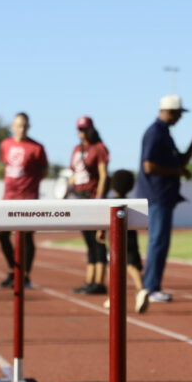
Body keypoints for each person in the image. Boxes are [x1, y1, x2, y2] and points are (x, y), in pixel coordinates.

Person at [135, 94, 192, 303]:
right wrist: (177, 171)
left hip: (164, 196)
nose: (180, 118)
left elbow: (179, 162)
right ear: (171, 112)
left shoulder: (164, 133)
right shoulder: (155, 132)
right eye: (179, 114)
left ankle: (152, 285)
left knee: (161, 242)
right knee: (158, 242)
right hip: (157, 196)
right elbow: (149, 166)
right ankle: (150, 287)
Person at [0, 112, 48, 288]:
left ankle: (25, 275)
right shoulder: (5, 144)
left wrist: (31, 186)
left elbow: (44, 171)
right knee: (2, 234)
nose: (22, 129)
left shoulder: (37, 148)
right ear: (13, 126)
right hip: (8, 197)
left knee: (26, 237)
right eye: (19, 125)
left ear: (29, 127)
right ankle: (13, 271)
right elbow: (5, 165)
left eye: (25, 125)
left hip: (28, 198)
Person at [67, 116, 109, 296]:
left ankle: (99, 282)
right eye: (79, 129)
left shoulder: (99, 148)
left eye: (84, 129)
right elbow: (74, 174)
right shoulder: (77, 149)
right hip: (79, 199)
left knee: (98, 242)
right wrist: (65, 191)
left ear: (91, 129)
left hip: (93, 198)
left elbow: (103, 175)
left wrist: (99, 199)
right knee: (89, 243)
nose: (81, 132)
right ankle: (89, 280)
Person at [99, 169, 150, 314]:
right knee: (132, 265)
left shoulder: (109, 202)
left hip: (115, 238)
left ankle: (112, 296)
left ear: (112, 185)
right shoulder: (132, 203)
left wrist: (101, 232)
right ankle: (140, 290)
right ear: (131, 186)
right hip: (131, 237)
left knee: (112, 266)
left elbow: (103, 220)